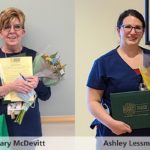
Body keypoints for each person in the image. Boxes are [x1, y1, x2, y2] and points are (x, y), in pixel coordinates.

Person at [87, 9, 150, 137]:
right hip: (114, 134)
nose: (133, 32)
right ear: (118, 30)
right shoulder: (103, 63)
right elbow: (92, 101)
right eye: (128, 27)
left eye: (138, 28)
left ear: (143, 32)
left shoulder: (149, 58)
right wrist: (111, 124)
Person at [0, 7, 51, 136]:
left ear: (23, 31)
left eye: (17, 27)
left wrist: (37, 84)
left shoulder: (35, 57)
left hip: (28, 128)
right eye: (6, 27)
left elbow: (46, 95)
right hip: (2, 126)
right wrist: (11, 87)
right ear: (1, 32)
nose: (12, 31)